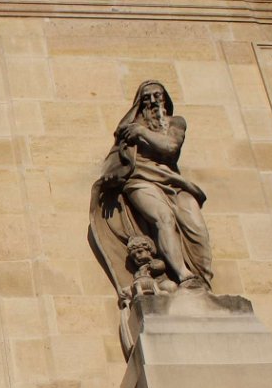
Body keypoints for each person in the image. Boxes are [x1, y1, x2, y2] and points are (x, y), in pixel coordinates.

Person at [90, 80, 213, 292]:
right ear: (140, 103)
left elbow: (171, 147)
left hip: (174, 183)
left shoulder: (175, 123)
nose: (154, 102)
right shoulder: (130, 129)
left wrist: (141, 132)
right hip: (139, 180)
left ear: (165, 100)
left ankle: (203, 278)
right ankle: (184, 275)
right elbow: (117, 151)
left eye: (158, 96)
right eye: (147, 98)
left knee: (197, 228)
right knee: (163, 218)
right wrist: (111, 175)